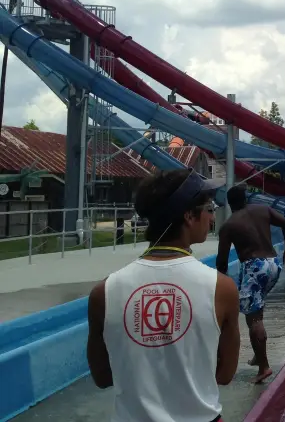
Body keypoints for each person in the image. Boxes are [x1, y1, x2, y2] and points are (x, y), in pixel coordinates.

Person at [86, 170, 241, 422]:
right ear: (189, 216)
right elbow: (224, 375)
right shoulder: (221, 289)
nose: (212, 217)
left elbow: (102, 378)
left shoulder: (104, 293)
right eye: (209, 208)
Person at [216, 185, 285, 384]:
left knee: (253, 318)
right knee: (256, 307)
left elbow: (222, 262)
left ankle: (264, 367)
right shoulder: (262, 209)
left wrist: (219, 281)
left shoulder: (229, 225)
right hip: (273, 263)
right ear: (245, 199)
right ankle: (257, 355)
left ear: (229, 204)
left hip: (254, 266)